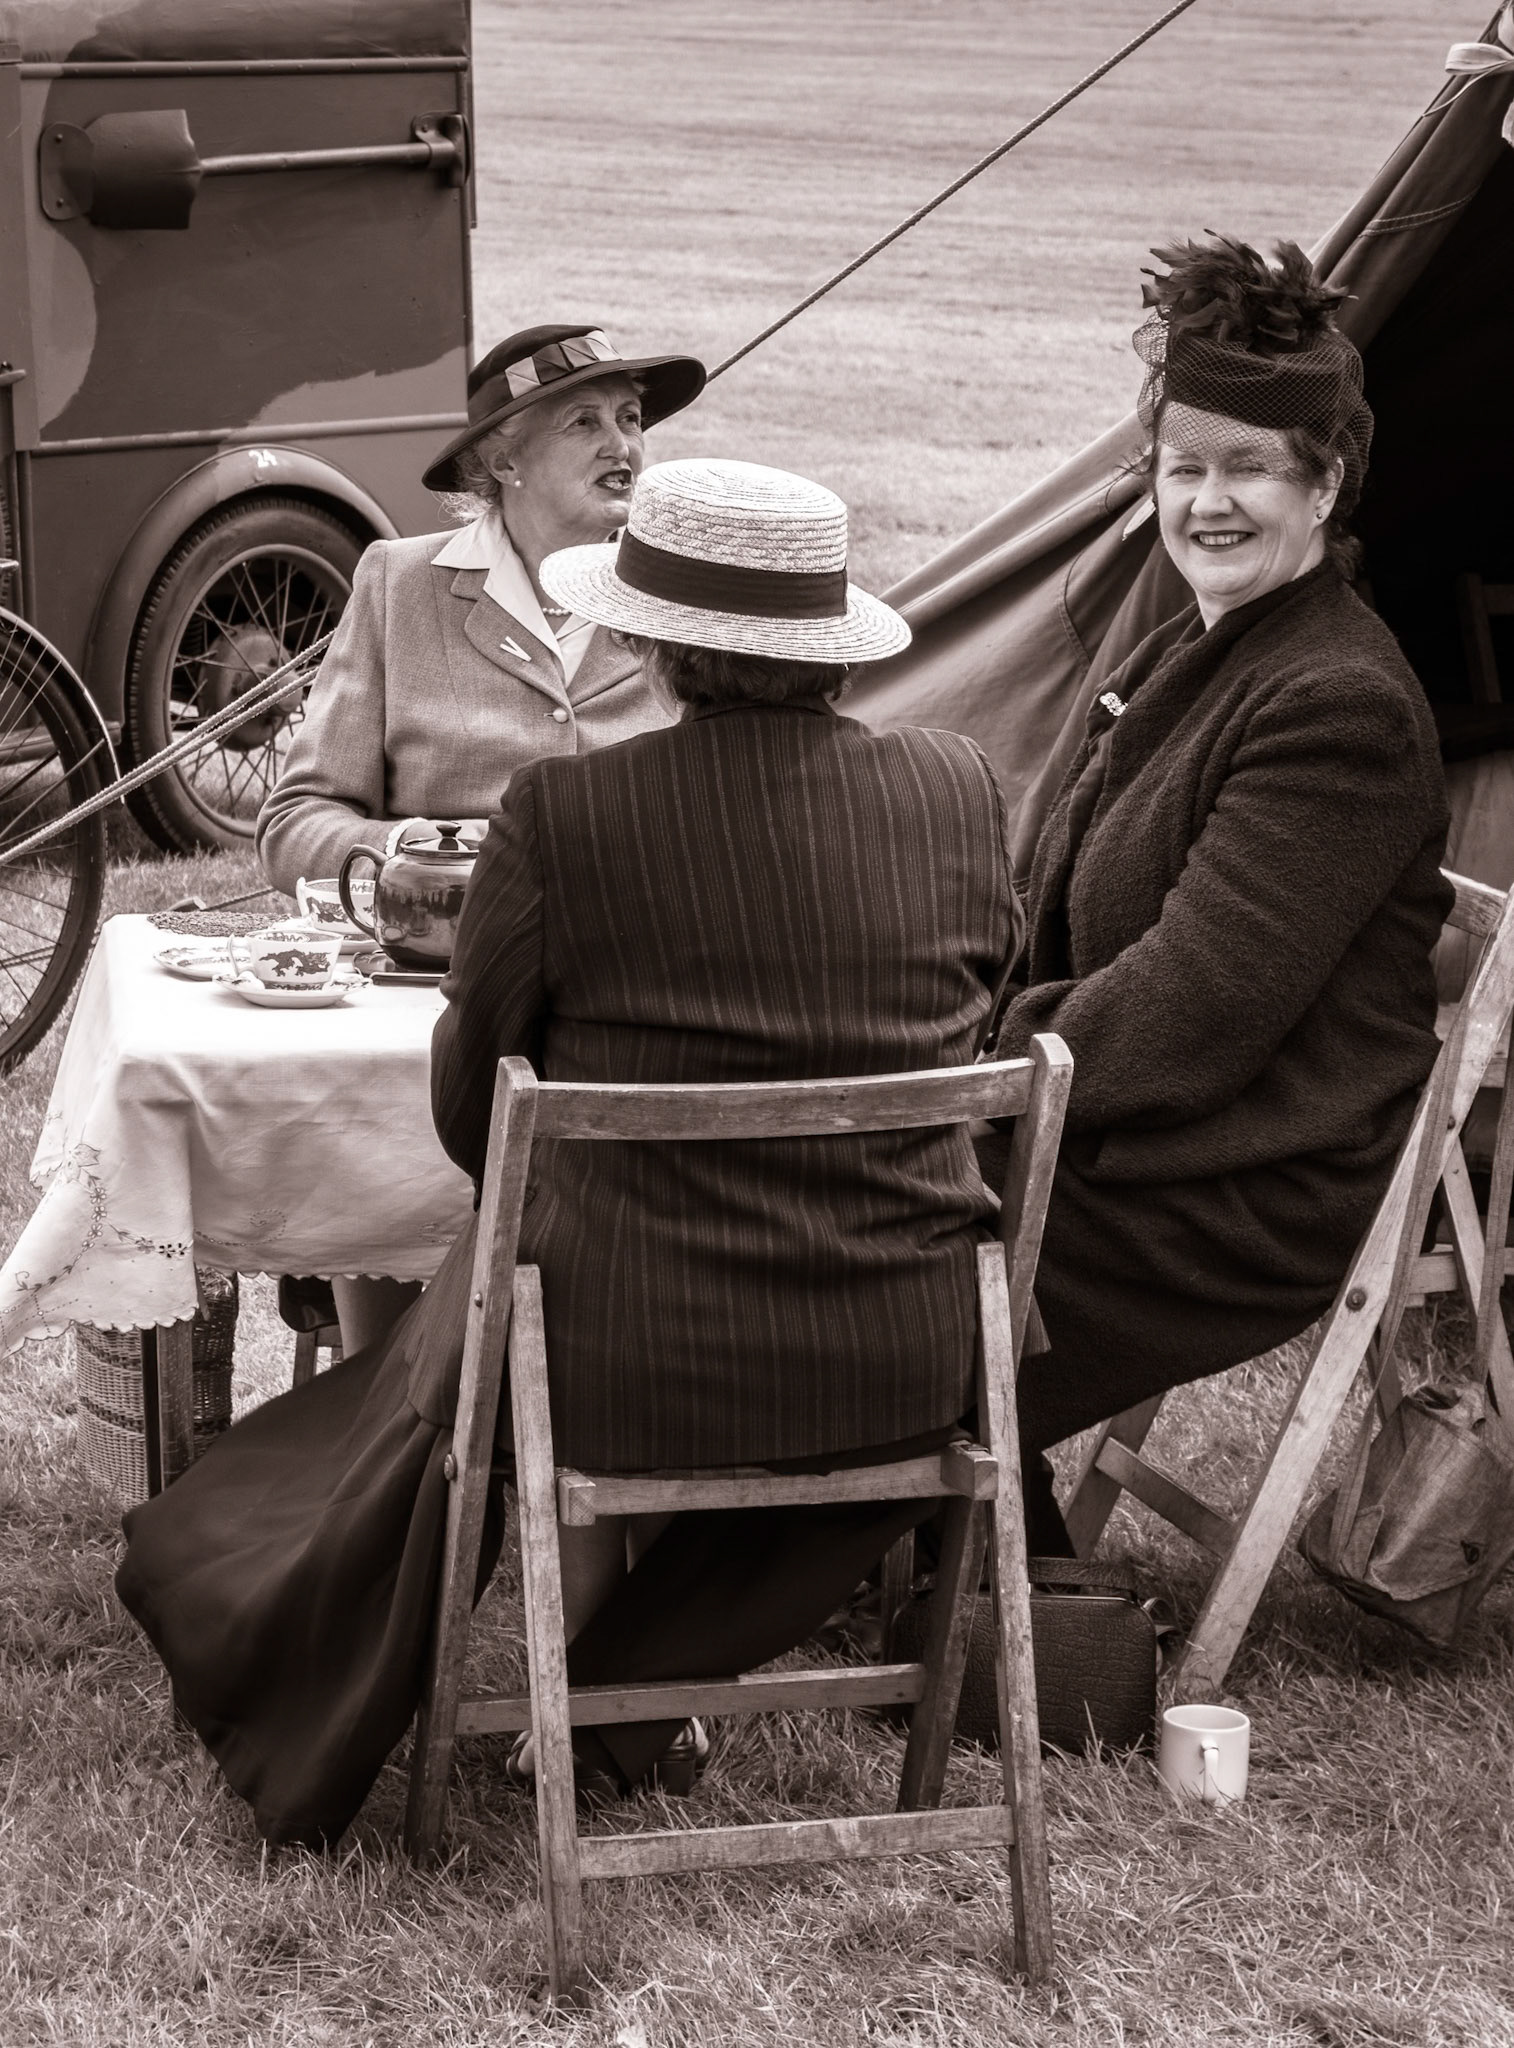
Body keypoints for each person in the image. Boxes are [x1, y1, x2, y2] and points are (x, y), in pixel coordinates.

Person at [116, 458, 1025, 1842]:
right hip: (912, 1356)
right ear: (829, 642)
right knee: (428, 1369)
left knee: (420, 1376)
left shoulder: (563, 814)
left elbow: (479, 1110)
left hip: (618, 1364)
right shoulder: (958, 791)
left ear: (650, 644)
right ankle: (627, 1689)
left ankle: (321, 1637)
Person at [986, 237, 1452, 1550]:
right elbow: (1062, 903)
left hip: (1237, 1183)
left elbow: (1195, 1005)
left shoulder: (1336, 702)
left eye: (1249, 467)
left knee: (885, 1258)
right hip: (1141, 1128)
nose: (1209, 500)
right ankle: (967, 1549)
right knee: (849, 1222)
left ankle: (869, 1551)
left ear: (1324, 482)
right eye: (1184, 467)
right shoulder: (1195, 642)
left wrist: (980, 1077)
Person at [255, 322, 704, 1350]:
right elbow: (293, 821)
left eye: (631, 419)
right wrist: (427, 862)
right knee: (381, 1168)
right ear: (498, 459)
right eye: (583, 421)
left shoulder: (675, 595)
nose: (623, 445)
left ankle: (573, 1392)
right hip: (432, 1003)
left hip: (634, 997)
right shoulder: (400, 582)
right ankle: (378, 1405)